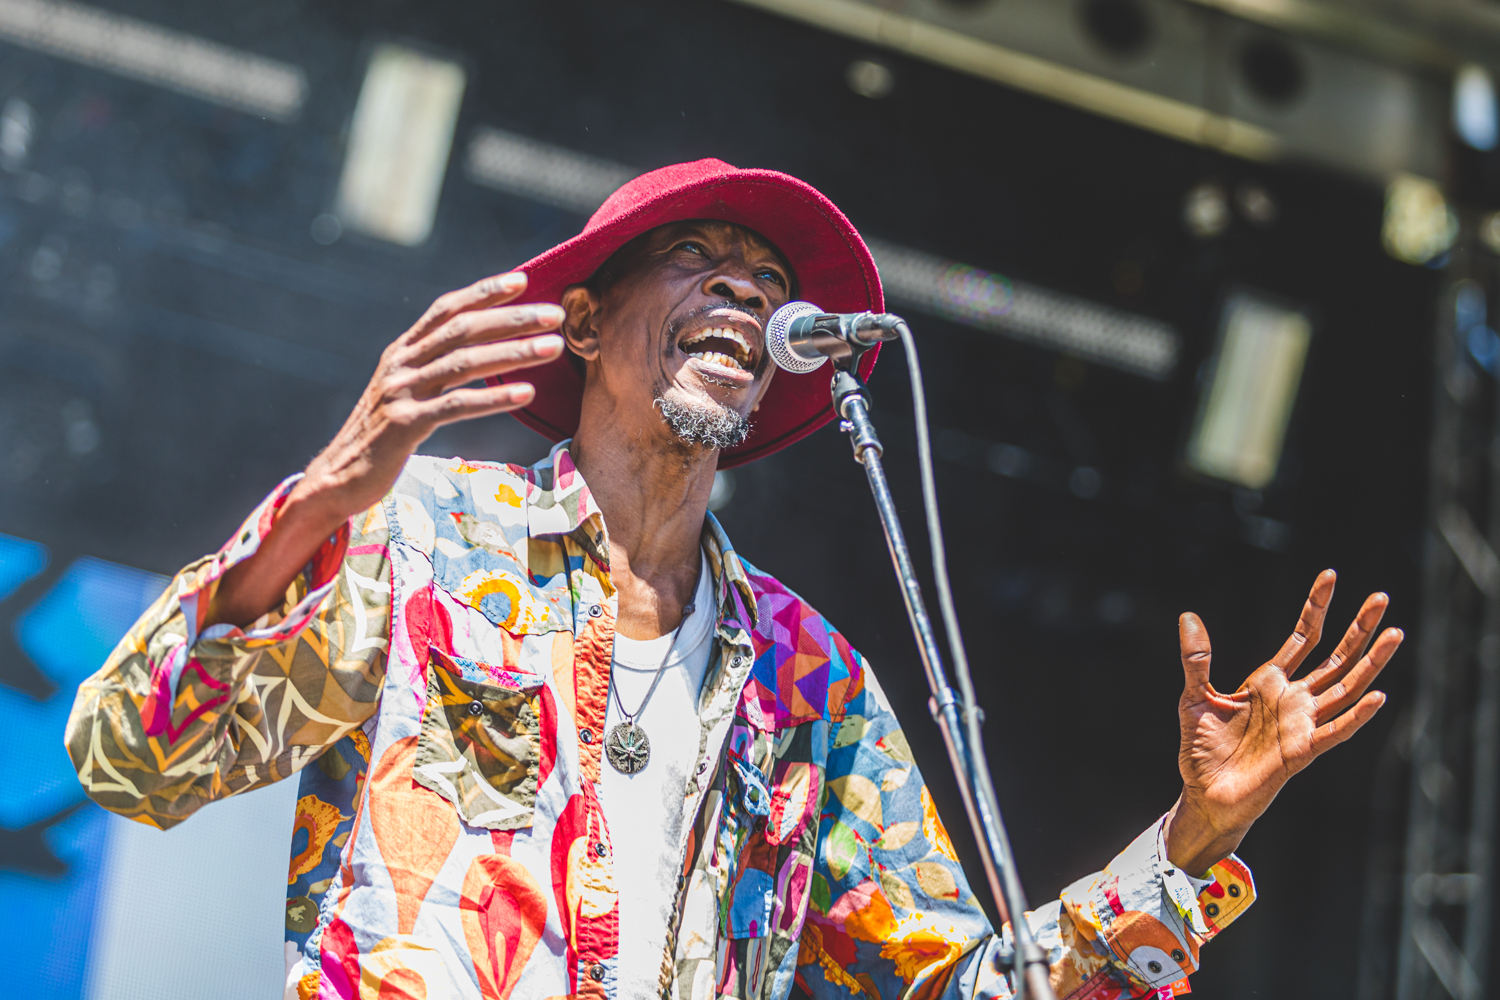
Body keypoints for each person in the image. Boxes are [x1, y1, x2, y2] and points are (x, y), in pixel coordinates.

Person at [66, 159, 1401, 1000]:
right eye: (700, 260)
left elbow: (957, 988)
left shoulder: (805, 674)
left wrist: (1194, 840)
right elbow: (133, 758)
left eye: (768, 284)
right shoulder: (426, 536)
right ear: (584, 323)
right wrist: (321, 497)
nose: (748, 293)